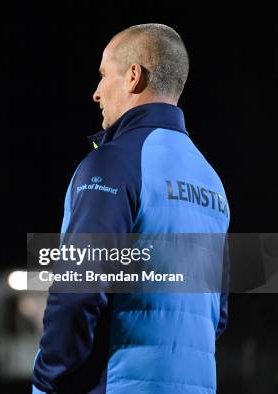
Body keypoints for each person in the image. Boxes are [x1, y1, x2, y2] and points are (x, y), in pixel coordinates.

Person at [32, 24, 230, 393]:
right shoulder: (211, 180)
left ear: (133, 76)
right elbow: (217, 317)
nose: (95, 93)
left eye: (104, 75)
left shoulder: (113, 163)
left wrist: (47, 380)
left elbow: (79, 293)